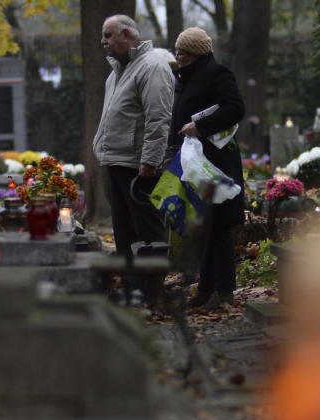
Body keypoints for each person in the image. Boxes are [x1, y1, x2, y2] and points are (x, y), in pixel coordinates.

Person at [167, 27, 246, 309]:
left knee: (220, 226)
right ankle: (206, 288)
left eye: (183, 51)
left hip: (215, 163)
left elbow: (235, 108)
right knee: (204, 226)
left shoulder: (216, 74)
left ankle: (225, 292)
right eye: (177, 51)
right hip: (196, 162)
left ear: (196, 52)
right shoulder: (185, 77)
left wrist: (200, 127)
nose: (178, 56)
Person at [92, 15, 174, 259]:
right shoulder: (118, 71)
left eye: (108, 35)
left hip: (138, 166)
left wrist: (150, 160)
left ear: (126, 34)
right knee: (125, 232)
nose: (102, 41)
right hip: (118, 161)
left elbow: (158, 118)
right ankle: (131, 286)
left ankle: (151, 291)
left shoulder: (152, 66)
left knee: (147, 230)